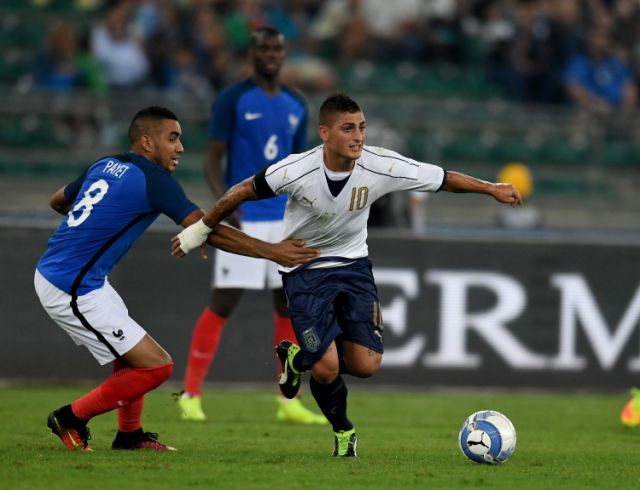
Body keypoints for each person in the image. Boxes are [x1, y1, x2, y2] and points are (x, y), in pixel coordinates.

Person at [172, 93, 523, 457]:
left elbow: (441, 178)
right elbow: (240, 191)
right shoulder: (297, 170)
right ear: (325, 133)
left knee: (365, 365)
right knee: (326, 369)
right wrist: (201, 229)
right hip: (305, 268)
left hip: (354, 267)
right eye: (348, 128)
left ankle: (297, 358)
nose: (358, 137)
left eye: (362, 127)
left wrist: (490, 188)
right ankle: (343, 431)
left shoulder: (381, 165)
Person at [34, 106, 318, 452]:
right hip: (71, 287)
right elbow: (208, 230)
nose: (181, 147)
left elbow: (57, 201)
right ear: (146, 142)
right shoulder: (154, 180)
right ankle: (70, 417)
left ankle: (129, 436)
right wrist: (275, 251)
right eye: (172, 138)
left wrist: (92, 219)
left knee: (131, 357)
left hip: (77, 277)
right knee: (157, 367)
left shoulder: (103, 165)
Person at [176, 26, 325, 425]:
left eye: (277, 48)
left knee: (287, 305)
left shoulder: (296, 103)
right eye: (264, 48)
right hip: (245, 217)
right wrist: (225, 202)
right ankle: (190, 393)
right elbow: (213, 157)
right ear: (252, 54)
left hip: (285, 219)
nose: (272, 54)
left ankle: (287, 400)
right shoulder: (233, 98)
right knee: (224, 301)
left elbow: (297, 165)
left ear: (284, 53)